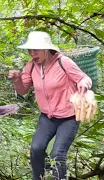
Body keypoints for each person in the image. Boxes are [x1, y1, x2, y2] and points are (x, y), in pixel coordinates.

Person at [8, 31, 92, 180]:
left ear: (46, 49)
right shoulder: (31, 67)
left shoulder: (63, 62)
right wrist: (17, 79)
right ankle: (40, 177)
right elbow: (22, 90)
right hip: (47, 117)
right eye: (30, 50)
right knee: (36, 148)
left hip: (69, 117)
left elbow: (84, 78)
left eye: (36, 49)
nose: (32, 53)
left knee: (57, 154)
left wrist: (83, 85)